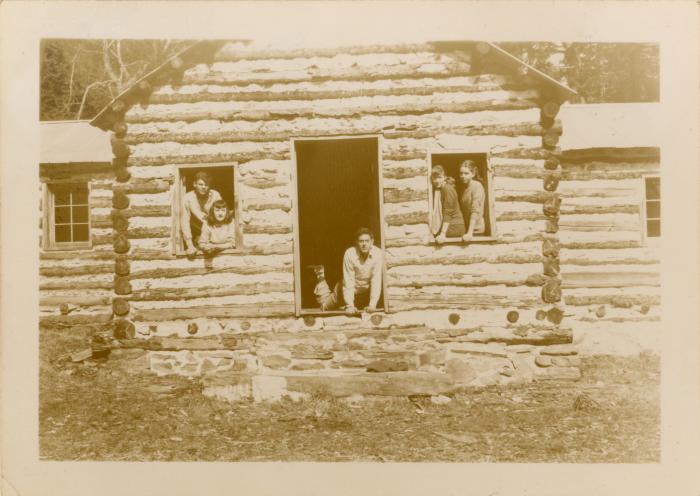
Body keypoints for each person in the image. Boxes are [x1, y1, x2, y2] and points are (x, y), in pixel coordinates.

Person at [342, 227, 383, 315]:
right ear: (357, 242)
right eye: (361, 241)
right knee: (325, 306)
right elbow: (348, 280)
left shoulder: (378, 254)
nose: (364, 244)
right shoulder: (350, 253)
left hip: (365, 292)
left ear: (372, 242)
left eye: (367, 241)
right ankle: (321, 278)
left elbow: (376, 280)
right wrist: (349, 305)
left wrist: (372, 305)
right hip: (346, 290)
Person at [180, 171, 222, 255]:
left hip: (213, 231)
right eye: (200, 184)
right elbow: (184, 221)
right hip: (196, 231)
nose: (204, 187)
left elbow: (222, 217)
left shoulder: (215, 195)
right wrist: (189, 245)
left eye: (206, 185)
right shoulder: (188, 198)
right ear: (194, 184)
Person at [430, 165, 466, 244]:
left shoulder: (447, 189)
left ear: (444, 177)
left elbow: (448, 212)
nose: (436, 181)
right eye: (434, 178)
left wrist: (442, 234)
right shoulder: (439, 190)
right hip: (449, 225)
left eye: (439, 177)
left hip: (455, 226)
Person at [459, 160, 486, 242]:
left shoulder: (477, 186)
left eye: (466, 173)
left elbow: (475, 210)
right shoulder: (464, 189)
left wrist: (470, 233)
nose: (462, 176)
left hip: (476, 231)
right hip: (467, 230)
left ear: (473, 174)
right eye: (461, 173)